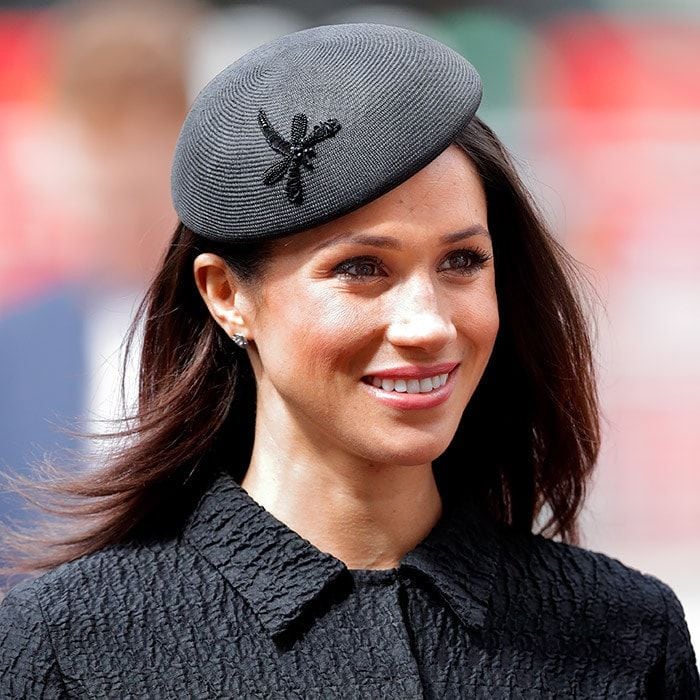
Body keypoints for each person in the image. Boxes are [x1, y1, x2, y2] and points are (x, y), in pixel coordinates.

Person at [0, 23, 698, 698]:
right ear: (226, 295)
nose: (427, 323)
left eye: (462, 262)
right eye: (362, 268)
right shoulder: (67, 650)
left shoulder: (624, 635)